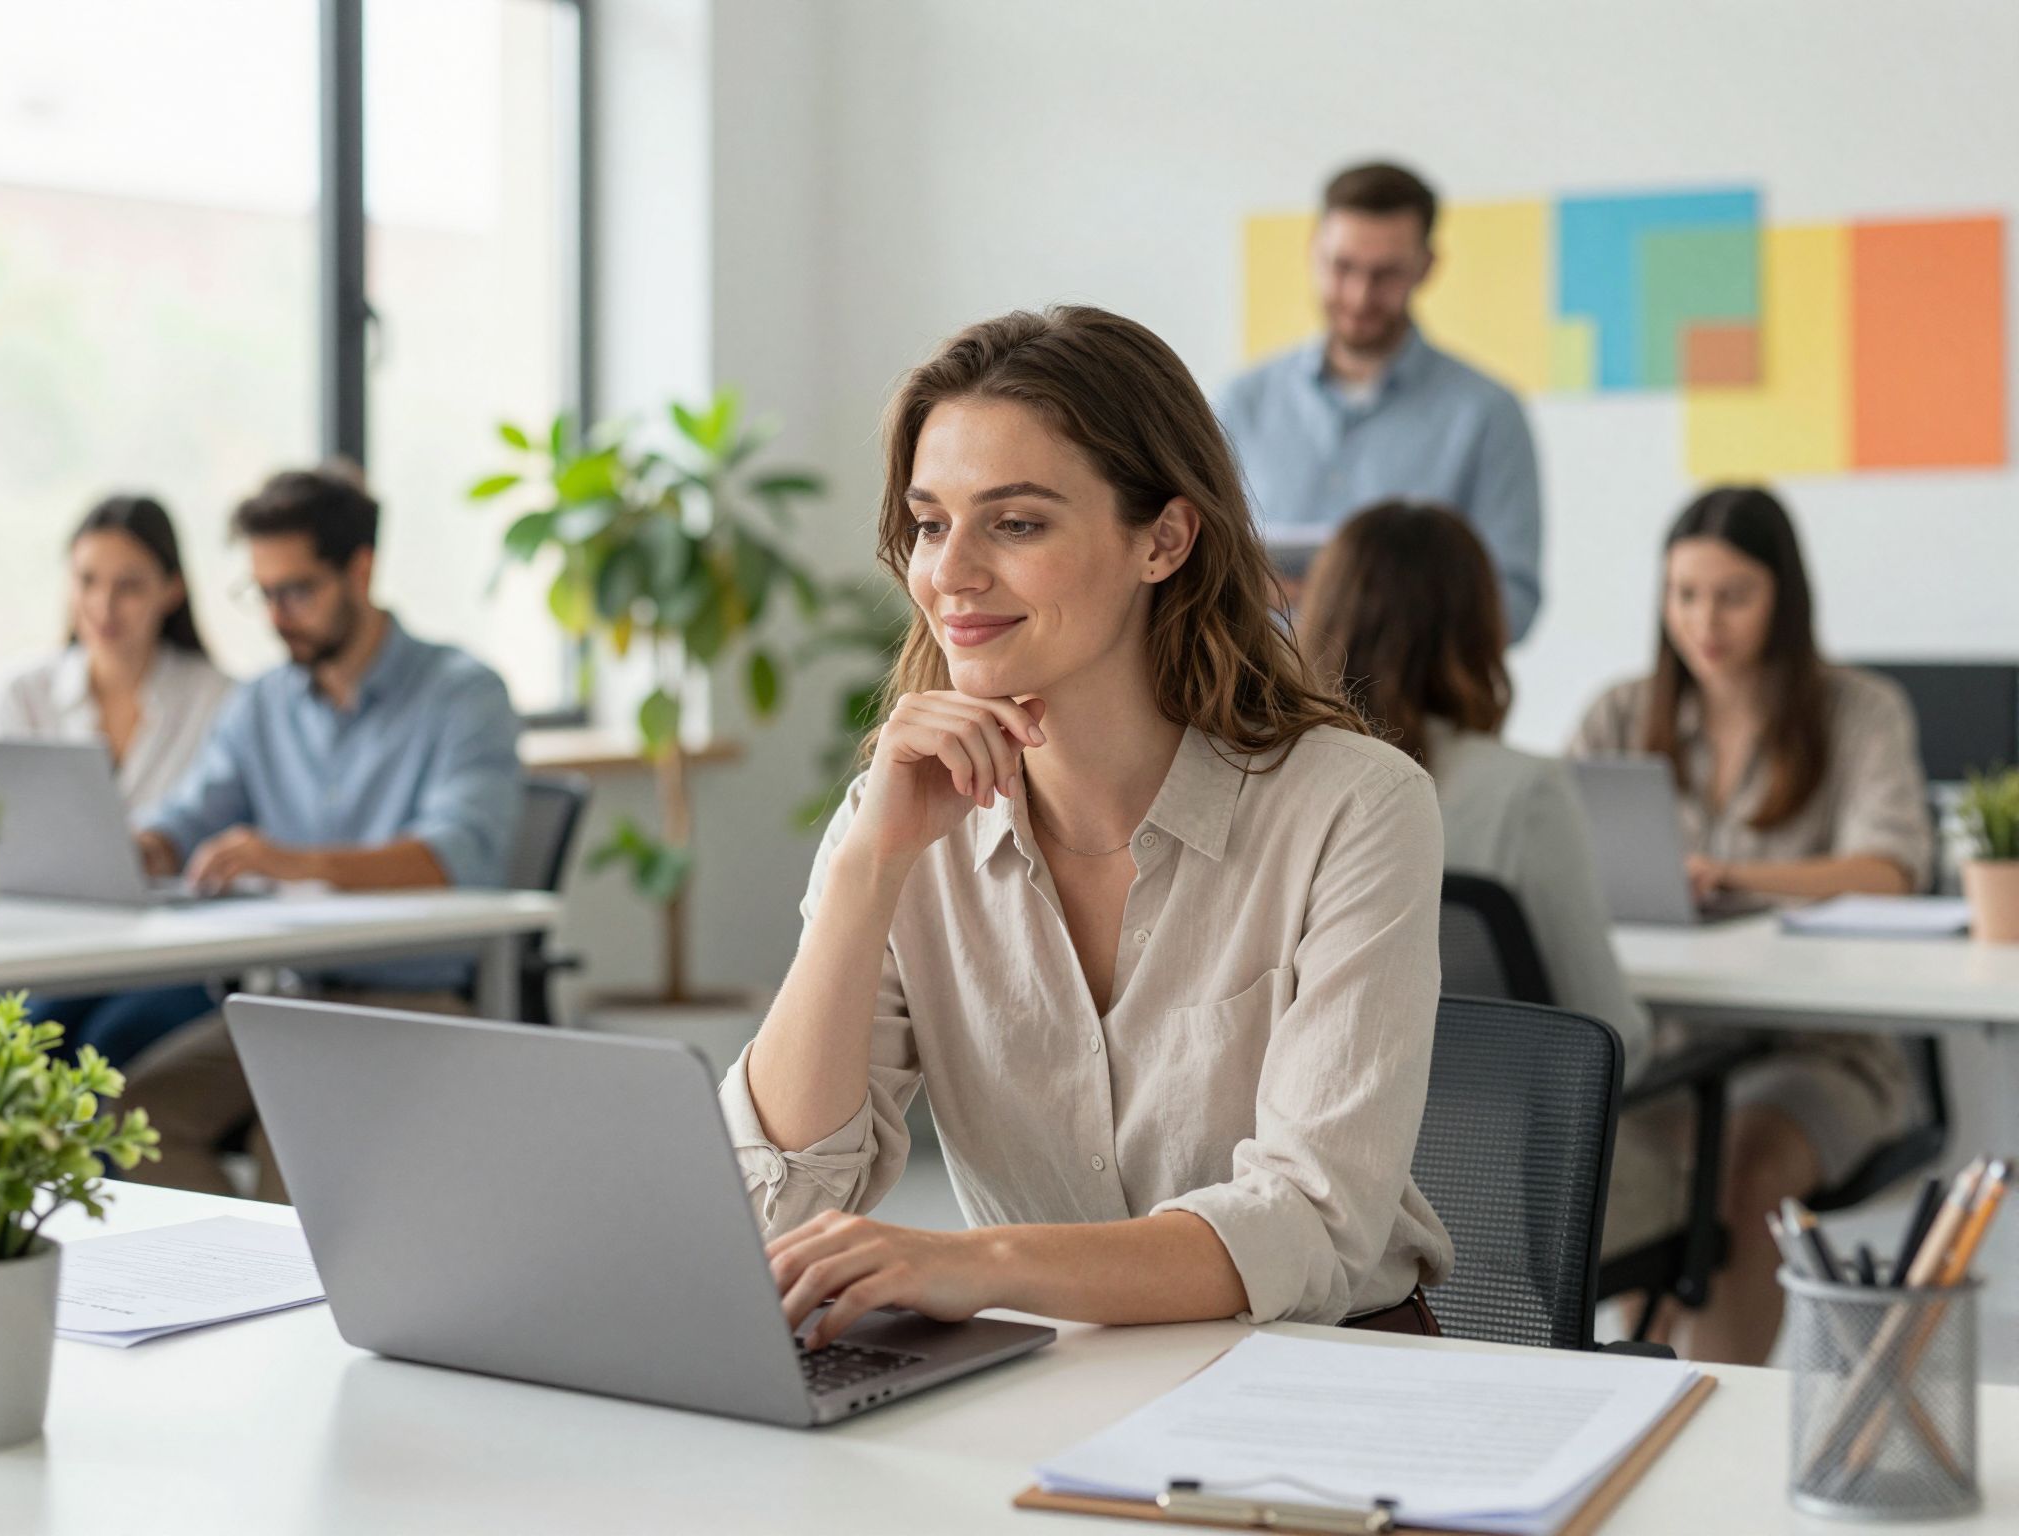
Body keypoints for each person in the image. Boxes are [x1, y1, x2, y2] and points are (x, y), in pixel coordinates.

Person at [720, 305, 1452, 1352]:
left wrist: (970, 1264)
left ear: (1161, 539)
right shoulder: (899, 821)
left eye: (1015, 523)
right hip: (1058, 1380)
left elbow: (1312, 1223)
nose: (952, 573)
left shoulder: (1353, 808)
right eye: (930, 523)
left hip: (1321, 1374)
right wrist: (864, 869)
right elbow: (777, 1207)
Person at [1570, 485, 1933, 1364]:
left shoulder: (1859, 710)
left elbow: (1888, 873)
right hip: (1670, 1051)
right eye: (1685, 595)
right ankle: (1639, 1410)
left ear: (1784, 597)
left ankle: (1702, 1422)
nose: (1706, 621)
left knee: (1741, 1177)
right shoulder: (1623, 711)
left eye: (1733, 595)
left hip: (1821, 1055)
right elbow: (1561, 849)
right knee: (1586, 1178)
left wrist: (1730, 876)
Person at [117, 463, 524, 1199]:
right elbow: (189, 816)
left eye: (297, 591)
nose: (278, 616)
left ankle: (294, 1303)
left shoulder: (463, 695)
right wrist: (142, 847)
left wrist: (289, 860)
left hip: (413, 1005)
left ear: (359, 571)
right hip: (291, 1002)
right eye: (263, 594)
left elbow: (453, 856)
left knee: (293, 1136)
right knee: (135, 1117)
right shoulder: (260, 706)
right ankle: (233, 1287)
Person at [1296, 500, 1649, 1073]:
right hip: (1507, 1153)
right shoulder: (1523, 793)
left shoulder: (1268, 781)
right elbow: (1612, 1041)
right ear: (1481, 628)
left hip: (1310, 1144)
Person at [1214, 161, 1542, 640]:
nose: (1359, 295)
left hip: (1414, 709)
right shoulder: (1241, 402)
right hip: (1257, 703)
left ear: (1426, 267)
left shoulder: (1487, 414)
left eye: (1385, 274)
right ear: (1313, 251)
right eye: (1342, 267)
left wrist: (1381, 606)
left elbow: (1514, 603)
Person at [0, 495, 237, 1066]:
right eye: (87, 580)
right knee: (13, 1033)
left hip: (170, 959)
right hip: (50, 947)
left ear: (171, 589)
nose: (104, 605)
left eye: (128, 586)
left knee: (98, 1050)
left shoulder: (220, 700)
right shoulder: (24, 694)